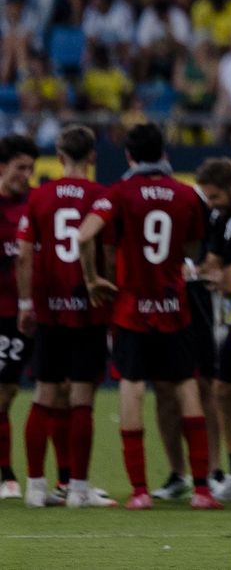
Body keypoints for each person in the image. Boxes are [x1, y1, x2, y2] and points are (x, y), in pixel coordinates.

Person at [77, 123, 219, 510]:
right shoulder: (187, 194)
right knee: (186, 388)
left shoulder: (118, 193)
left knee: (132, 389)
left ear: (129, 157)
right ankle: (202, 490)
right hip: (174, 306)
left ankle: (140, 491)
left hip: (131, 309)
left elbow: (84, 235)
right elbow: (191, 246)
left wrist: (93, 280)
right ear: (164, 153)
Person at [17, 125, 114, 507]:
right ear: (92, 156)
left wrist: (26, 304)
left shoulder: (38, 196)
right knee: (81, 398)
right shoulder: (100, 196)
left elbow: (24, 255)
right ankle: (77, 488)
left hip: (47, 307)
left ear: (58, 157)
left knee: (43, 394)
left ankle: (36, 487)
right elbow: (105, 252)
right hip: (87, 306)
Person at [194, 156, 231, 502]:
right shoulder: (220, 219)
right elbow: (211, 265)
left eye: (214, 197)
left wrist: (214, 275)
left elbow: (228, 281)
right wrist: (213, 273)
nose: (210, 204)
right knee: (222, 390)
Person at [0, 135, 38, 500]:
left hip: (33, 313)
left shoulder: (33, 203)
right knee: (4, 392)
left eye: (30, 168)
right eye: (19, 168)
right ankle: (6, 474)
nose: (25, 175)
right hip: (4, 313)